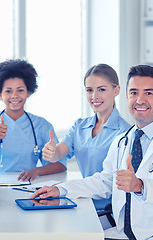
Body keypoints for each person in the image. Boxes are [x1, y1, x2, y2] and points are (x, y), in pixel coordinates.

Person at [32, 65, 153, 239]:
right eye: (134, 93)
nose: (140, 100)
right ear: (127, 96)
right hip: (126, 233)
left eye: (148, 93)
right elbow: (105, 181)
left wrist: (139, 186)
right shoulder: (122, 141)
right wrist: (61, 190)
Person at [41, 64, 130, 210]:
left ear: (116, 90)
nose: (94, 96)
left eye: (102, 89)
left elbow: (113, 183)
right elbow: (59, 152)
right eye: (89, 90)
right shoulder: (80, 126)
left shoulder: (125, 133)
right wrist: (51, 153)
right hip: (82, 199)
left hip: (108, 210)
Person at [0, 59, 67, 181]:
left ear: (28, 92)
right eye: (8, 91)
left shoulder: (42, 125)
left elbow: (60, 165)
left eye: (20, 90)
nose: (14, 95)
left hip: (26, 184)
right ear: (0, 94)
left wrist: (36, 170)